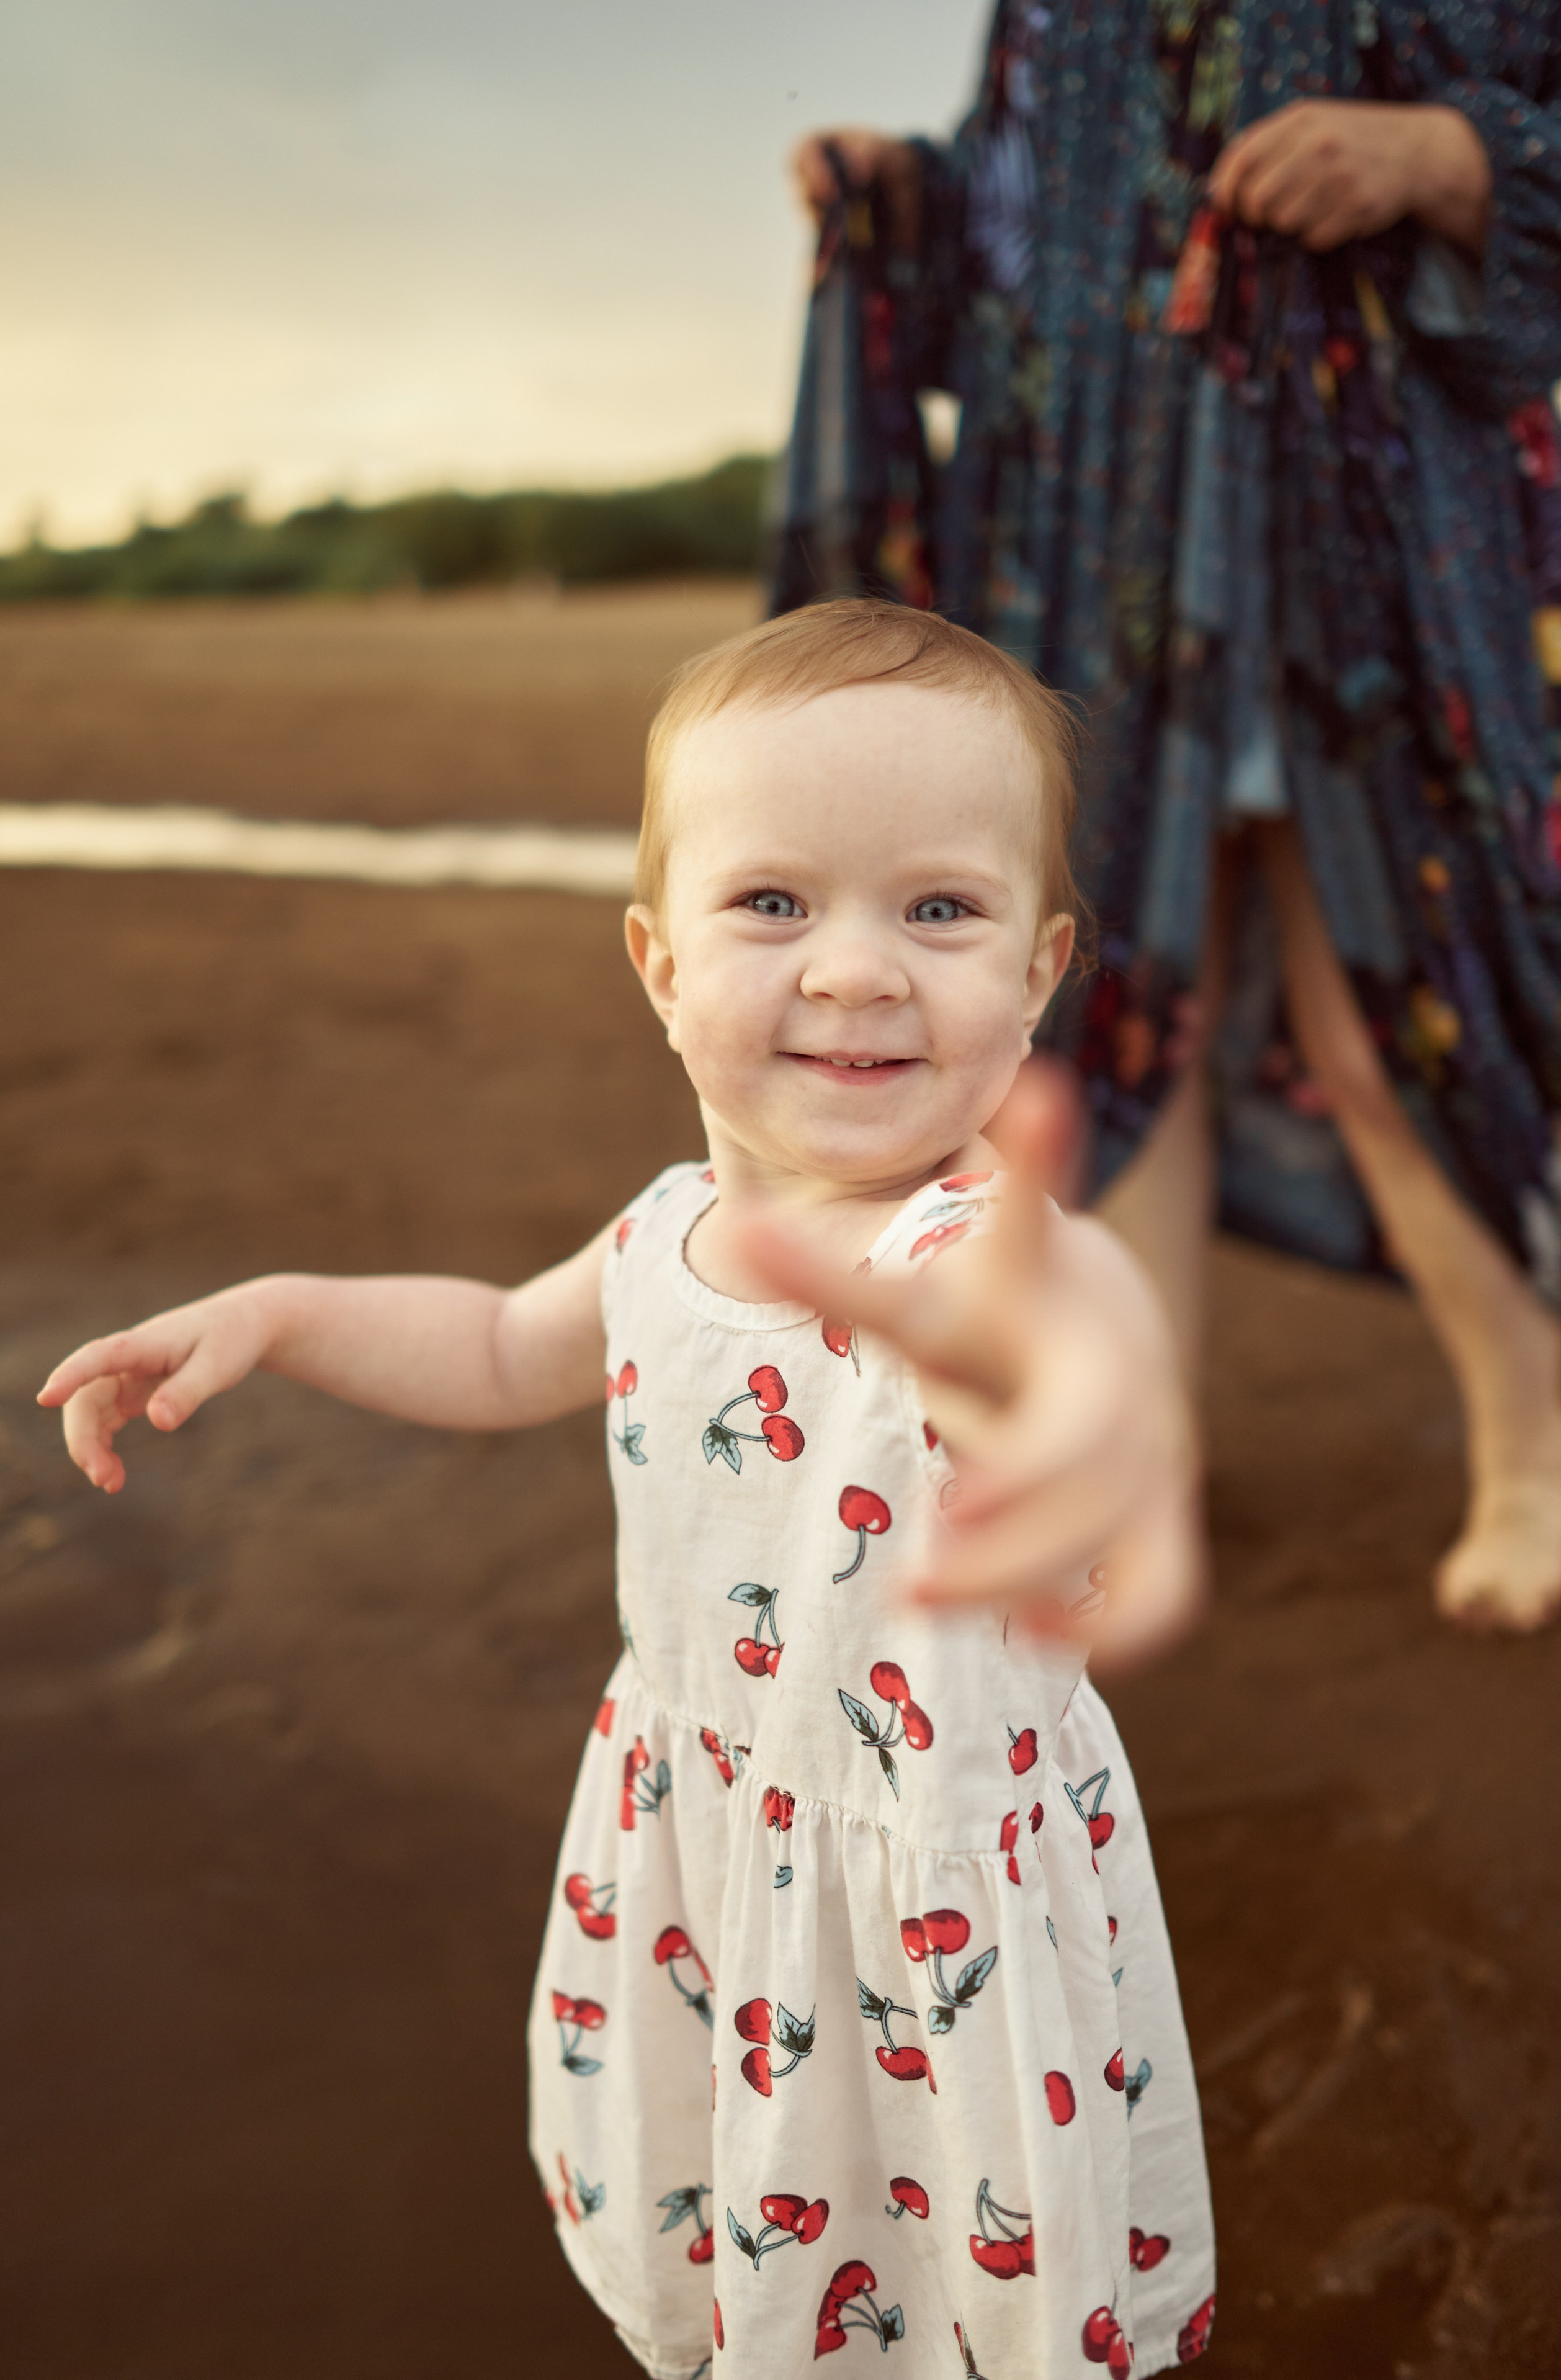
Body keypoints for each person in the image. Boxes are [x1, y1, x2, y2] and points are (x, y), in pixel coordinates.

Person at [40, 602, 1214, 2378]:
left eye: (940, 908)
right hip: (708, 1847)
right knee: (758, 2231)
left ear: (1041, 965)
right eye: (775, 903)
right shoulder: (669, 1229)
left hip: (923, 1893)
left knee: (967, 2271)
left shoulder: (973, 1248)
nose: (854, 969)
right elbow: (506, 1346)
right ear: (660, 966)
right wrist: (280, 1311)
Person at [784, 0, 1561, 1634]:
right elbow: (1022, 225)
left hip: (1380, 532)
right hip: (1100, 533)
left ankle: (1528, 1440)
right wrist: (908, 199)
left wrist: (1445, 157)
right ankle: (1138, 1456)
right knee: (1120, 1026)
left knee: (1388, 1016)